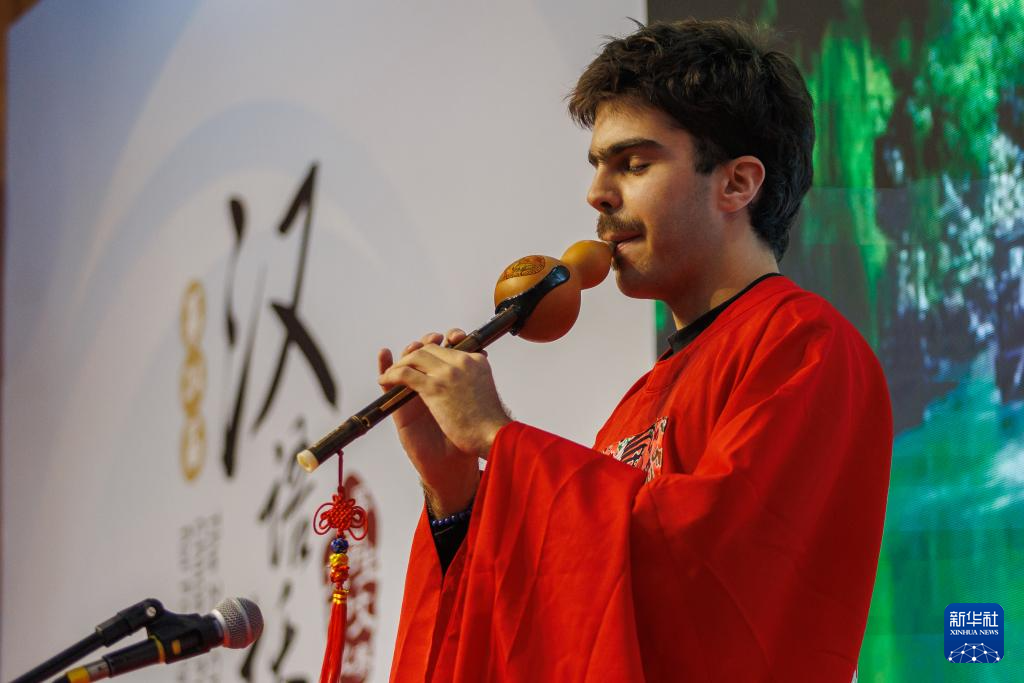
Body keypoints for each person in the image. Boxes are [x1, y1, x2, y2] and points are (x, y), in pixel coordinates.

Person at [380, 18, 892, 682]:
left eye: (634, 163)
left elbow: (708, 580)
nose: (597, 193)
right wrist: (455, 494)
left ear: (737, 184)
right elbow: (563, 619)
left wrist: (499, 438)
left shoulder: (805, 346)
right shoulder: (643, 398)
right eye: (598, 166)